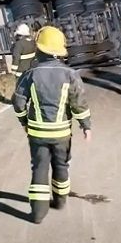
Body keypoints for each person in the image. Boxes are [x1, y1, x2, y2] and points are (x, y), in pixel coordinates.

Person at [12, 26, 91, 224]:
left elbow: (18, 101)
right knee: (61, 165)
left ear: (40, 49)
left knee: (39, 168)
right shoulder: (70, 74)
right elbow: (78, 103)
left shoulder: (31, 73)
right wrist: (86, 126)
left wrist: (24, 122)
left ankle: (38, 213)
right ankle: (60, 200)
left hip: (37, 132)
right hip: (62, 133)